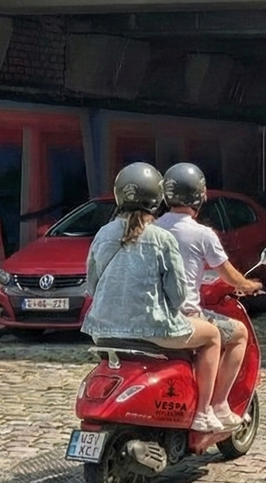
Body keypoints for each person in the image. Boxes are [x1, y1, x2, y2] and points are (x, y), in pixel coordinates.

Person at [80, 162, 229, 434]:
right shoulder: (161, 238)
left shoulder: (103, 233)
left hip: (101, 331)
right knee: (213, 337)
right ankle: (204, 412)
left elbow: (92, 285)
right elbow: (178, 295)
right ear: (157, 198)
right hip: (153, 329)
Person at [154, 163, 262, 428]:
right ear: (199, 197)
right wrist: (249, 285)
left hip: (150, 315)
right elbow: (228, 276)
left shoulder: (150, 229)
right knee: (237, 334)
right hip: (183, 318)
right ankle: (214, 406)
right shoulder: (202, 234)